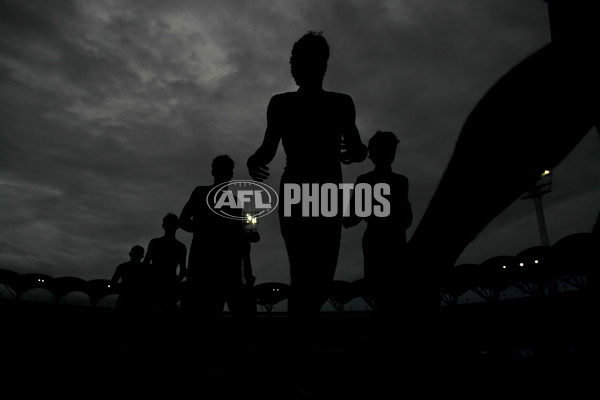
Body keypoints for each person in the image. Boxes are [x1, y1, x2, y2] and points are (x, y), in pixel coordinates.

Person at [247, 31, 367, 320]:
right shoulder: (339, 103)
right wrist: (358, 152)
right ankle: (301, 339)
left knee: (303, 274)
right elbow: (358, 149)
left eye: (295, 60)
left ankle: (298, 339)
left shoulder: (283, 103)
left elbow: (266, 151)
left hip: (300, 190)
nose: (292, 66)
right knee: (317, 275)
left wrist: (255, 160)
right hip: (324, 191)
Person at [179, 155, 257, 320]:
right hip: (209, 268)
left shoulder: (232, 202)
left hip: (220, 268)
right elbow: (183, 221)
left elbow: (241, 237)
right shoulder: (202, 193)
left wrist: (247, 237)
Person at [343, 130, 412, 316]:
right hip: (394, 241)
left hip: (377, 241)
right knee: (393, 296)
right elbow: (407, 219)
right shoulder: (400, 181)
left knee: (382, 296)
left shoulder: (366, 181)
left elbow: (351, 219)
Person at [143, 213, 187, 314]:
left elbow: (145, 265)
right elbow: (183, 271)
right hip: (164, 284)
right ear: (178, 226)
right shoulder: (180, 247)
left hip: (157, 285)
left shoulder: (155, 243)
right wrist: (174, 283)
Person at [110, 245, 150, 314]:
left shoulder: (122, 267)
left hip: (124, 300)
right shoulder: (146, 269)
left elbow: (112, 284)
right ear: (142, 256)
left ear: (130, 254)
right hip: (140, 302)